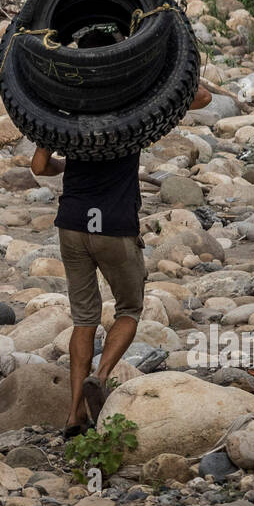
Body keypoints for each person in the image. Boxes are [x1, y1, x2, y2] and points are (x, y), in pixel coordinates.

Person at [31, 82, 211, 438]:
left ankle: (73, 416)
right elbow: (203, 97)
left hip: (72, 225)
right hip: (114, 227)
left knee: (84, 319)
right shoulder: (136, 113)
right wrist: (169, 68)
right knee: (128, 309)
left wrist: (63, 157)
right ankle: (99, 377)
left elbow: (39, 165)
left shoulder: (67, 115)